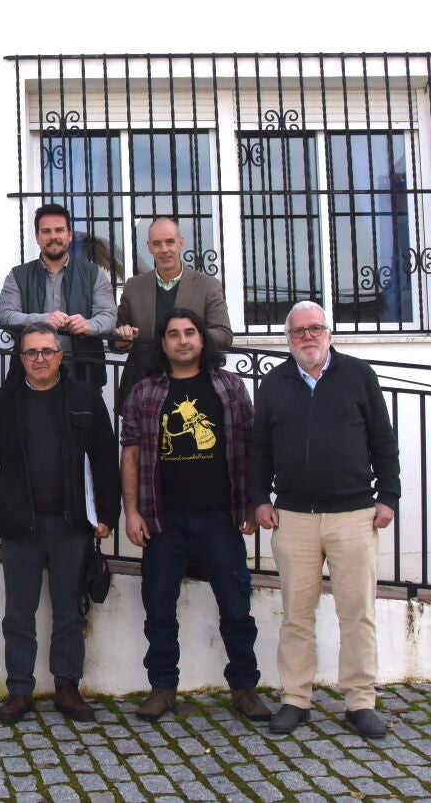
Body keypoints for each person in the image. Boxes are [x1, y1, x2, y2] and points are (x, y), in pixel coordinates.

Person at [251, 301, 400, 739]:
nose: (307, 337)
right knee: (296, 615)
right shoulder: (273, 383)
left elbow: (382, 439)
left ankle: (360, 702)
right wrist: (259, 498)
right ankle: (295, 699)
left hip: (353, 515)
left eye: (314, 328)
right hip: (294, 516)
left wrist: (388, 496)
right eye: (298, 331)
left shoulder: (358, 375)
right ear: (288, 339)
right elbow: (259, 448)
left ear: (329, 333)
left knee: (357, 613)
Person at [119, 308, 271, 724]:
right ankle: (162, 688)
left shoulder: (230, 387)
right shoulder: (145, 392)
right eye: (173, 334)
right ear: (163, 343)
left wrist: (252, 503)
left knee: (236, 608)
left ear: (203, 339)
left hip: (219, 517)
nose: (182, 340)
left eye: (190, 332)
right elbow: (130, 454)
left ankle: (244, 688)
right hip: (163, 520)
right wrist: (131, 511)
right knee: (158, 609)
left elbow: (251, 446)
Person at [0, 324, 120, 725]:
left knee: (69, 611)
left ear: (60, 356)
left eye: (47, 351)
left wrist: (107, 514)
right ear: (21, 358)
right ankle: (19, 689)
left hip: (72, 524)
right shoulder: (2, 402)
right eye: (31, 352)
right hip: (20, 526)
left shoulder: (85, 398)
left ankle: (67, 687)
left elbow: (105, 458)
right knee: (18, 613)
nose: (40, 359)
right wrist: (2, 493)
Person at [113, 217, 233, 408]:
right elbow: (117, 338)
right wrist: (123, 338)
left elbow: (224, 334)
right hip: (142, 391)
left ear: (180, 243)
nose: (164, 249)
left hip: (193, 390)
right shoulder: (133, 287)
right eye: (157, 244)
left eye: (170, 242)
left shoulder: (208, 286)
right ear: (149, 247)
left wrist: (190, 337)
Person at [0, 203, 117, 387]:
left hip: (83, 374)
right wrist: (42, 320)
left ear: (70, 235)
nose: (53, 236)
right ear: (37, 237)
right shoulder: (18, 275)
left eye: (59, 230)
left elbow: (109, 315)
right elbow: (6, 315)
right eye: (46, 231)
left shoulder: (93, 273)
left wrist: (89, 325)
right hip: (30, 376)